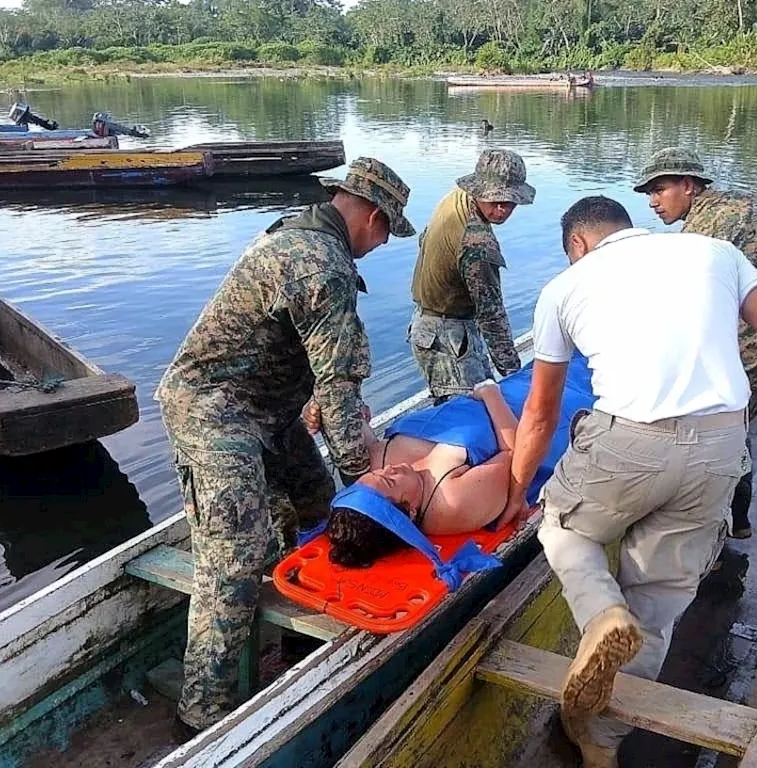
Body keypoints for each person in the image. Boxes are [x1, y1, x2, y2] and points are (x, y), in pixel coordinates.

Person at [500, 196, 757, 767]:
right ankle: (602, 740)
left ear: (577, 245)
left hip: (628, 444)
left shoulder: (564, 288)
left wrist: (517, 495)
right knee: (658, 602)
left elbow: (540, 414)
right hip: (720, 447)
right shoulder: (715, 251)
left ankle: (599, 615)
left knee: (565, 529)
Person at [153, 157, 415, 735]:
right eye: (385, 233)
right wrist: (368, 487)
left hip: (268, 408)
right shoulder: (322, 263)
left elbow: (306, 358)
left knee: (315, 502)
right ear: (372, 215)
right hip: (214, 410)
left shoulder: (300, 233)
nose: (379, 245)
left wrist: (320, 411)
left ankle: (299, 640)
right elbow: (342, 386)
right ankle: (202, 717)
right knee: (232, 555)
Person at [634, 147, 757, 540]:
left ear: (688, 185)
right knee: (740, 428)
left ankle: (728, 523)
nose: (652, 202)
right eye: (648, 193)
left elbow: (681, 305)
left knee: (723, 435)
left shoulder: (698, 235)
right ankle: (738, 521)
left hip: (742, 353)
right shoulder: (756, 201)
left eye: (659, 189)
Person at [303, 380, 519, 567]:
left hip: (493, 395)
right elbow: (518, 454)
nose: (389, 468)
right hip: (521, 409)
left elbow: (358, 421)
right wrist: (490, 392)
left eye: (375, 474)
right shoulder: (452, 502)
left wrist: (318, 413)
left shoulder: (380, 468)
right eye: (389, 480)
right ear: (411, 512)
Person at [408, 148, 535, 403]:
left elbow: (424, 240)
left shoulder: (454, 199)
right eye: (494, 200)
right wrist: (516, 377)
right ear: (478, 190)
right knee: (470, 413)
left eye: (509, 202)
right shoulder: (478, 242)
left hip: (427, 327)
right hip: (447, 338)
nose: (501, 209)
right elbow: (491, 316)